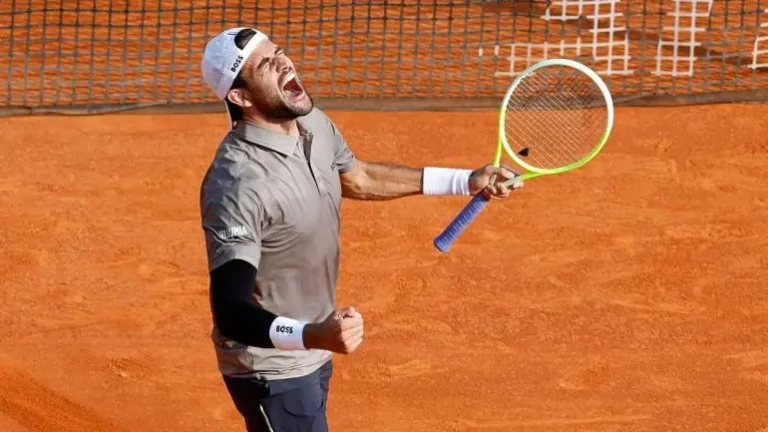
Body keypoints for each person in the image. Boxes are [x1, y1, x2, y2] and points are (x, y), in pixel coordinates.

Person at [198, 27, 523, 432]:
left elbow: (360, 179)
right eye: (266, 64)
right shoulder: (238, 183)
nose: (284, 62)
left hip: (316, 345)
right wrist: (314, 334)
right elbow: (231, 313)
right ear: (241, 97)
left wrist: (465, 181)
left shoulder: (312, 124)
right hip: (271, 367)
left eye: (280, 52)